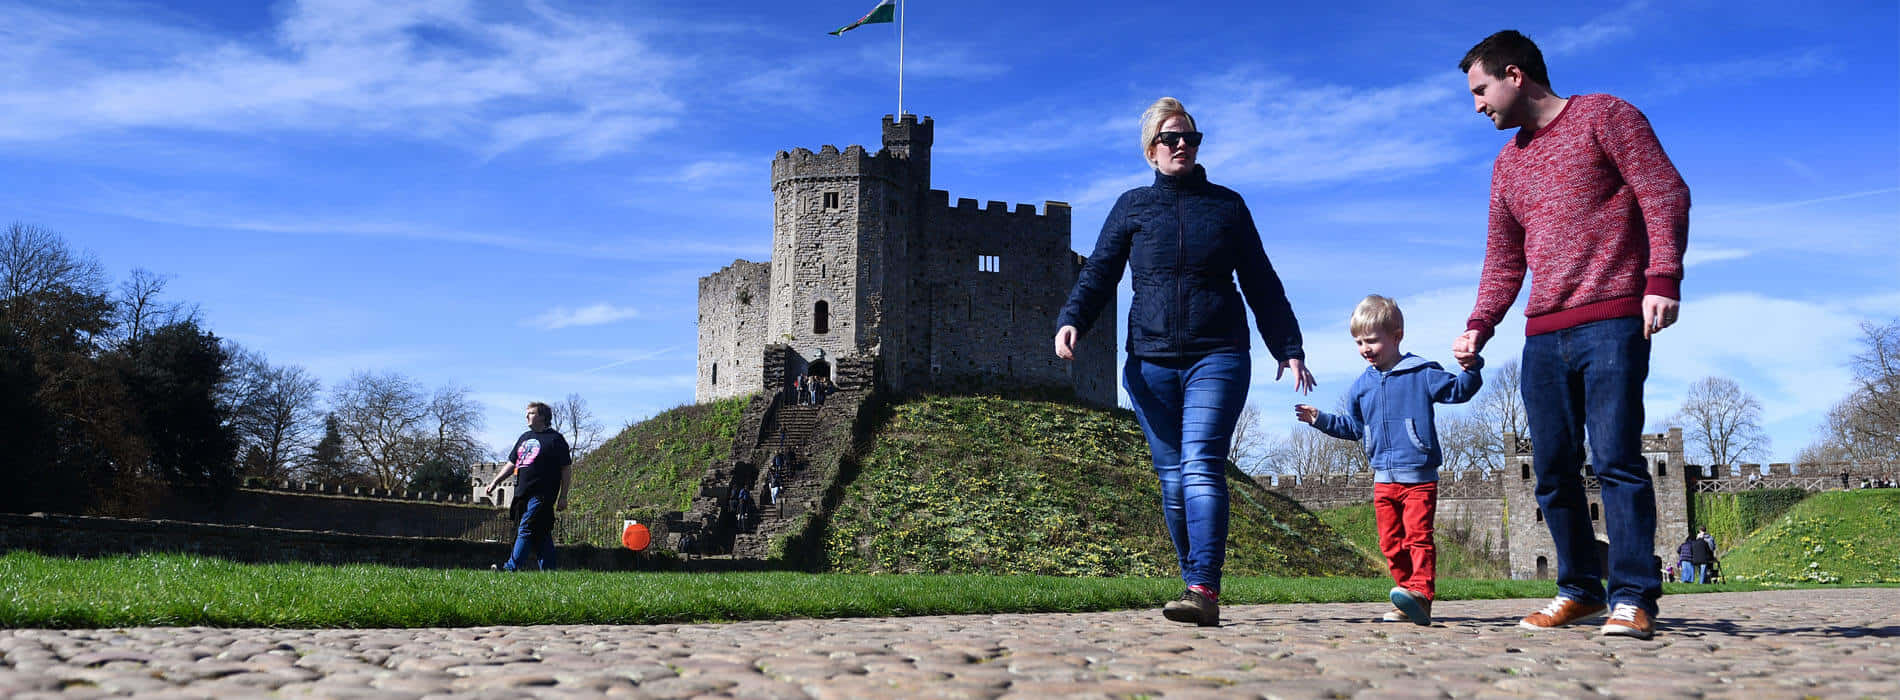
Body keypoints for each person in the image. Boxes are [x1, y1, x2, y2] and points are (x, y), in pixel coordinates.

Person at [1452, 30, 1689, 640]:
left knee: (1616, 459)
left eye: (1480, 90)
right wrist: (1481, 324)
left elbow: (1664, 193)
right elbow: (1503, 258)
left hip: (1613, 319)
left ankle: (1633, 596)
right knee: (1553, 469)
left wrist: (1662, 275)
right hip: (1543, 336)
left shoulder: (1606, 117)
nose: (1477, 105)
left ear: (1514, 75)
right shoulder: (1507, 163)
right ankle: (1579, 590)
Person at [1055, 97, 1314, 627]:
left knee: (1199, 468)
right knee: (1172, 479)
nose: (1181, 146)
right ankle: (1193, 583)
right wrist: (1072, 317)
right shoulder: (1131, 207)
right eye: (1170, 138)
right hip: (1148, 363)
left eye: (1190, 138)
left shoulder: (1227, 207)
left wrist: (1288, 346)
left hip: (1216, 355)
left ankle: (1203, 587)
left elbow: (1261, 281)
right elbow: (1100, 270)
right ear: (1150, 150)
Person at [1295, 295, 1483, 626]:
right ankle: (1406, 594)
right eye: (1358, 342)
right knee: (1390, 543)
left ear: (1396, 336)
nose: (1365, 348)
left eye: (1372, 340)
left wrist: (1471, 368)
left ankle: (1421, 595)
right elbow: (1354, 428)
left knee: (1418, 537)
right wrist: (1320, 419)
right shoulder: (1360, 387)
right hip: (1383, 478)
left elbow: (1459, 391)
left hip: (1419, 477)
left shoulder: (1422, 373)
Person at [483, 401, 573, 571]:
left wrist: (563, 496)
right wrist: (495, 481)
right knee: (541, 533)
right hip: (522, 494)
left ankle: (510, 568)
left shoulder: (555, 440)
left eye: (531, 413)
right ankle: (549, 571)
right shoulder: (524, 437)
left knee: (526, 527)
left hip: (543, 495)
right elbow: (512, 463)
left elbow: (566, 469)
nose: (527, 416)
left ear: (542, 417)